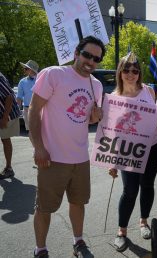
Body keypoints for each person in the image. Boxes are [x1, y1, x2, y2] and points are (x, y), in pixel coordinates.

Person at [29, 36, 105, 258]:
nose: (90, 61)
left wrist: (95, 117)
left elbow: (87, 119)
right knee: (44, 208)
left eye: (96, 58)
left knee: (78, 202)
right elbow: (34, 110)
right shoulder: (54, 74)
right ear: (76, 53)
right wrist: (38, 147)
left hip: (80, 158)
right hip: (52, 157)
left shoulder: (96, 85)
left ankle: (78, 241)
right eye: (87, 55)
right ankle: (40, 249)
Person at [108, 52, 157, 252]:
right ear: (120, 72)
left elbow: (155, 117)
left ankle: (143, 221)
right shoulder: (113, 97)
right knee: (130, 190)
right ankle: (122, 231)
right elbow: (111, 132)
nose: (131, 74)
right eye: (127, 70)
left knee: (147, 185)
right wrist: (112, 161)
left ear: (139, 73)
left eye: (135, 70)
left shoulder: (148, 91)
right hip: (128, 150)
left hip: (153, 145)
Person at [0, 72, 20, 179]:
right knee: (5, 139)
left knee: (5, 139)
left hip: (5, 114)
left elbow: (9, 97)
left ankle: (9, 168)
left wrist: (4, 118)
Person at [17, 60, 39, 131]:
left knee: (40, 130)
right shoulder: (22, 81)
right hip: (27, 109)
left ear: (32, 70)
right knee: (30, 131)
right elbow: (19, 97)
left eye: (26, 68)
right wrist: (17, 110)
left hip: (40, 109)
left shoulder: (40, 79)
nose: (24, 70)